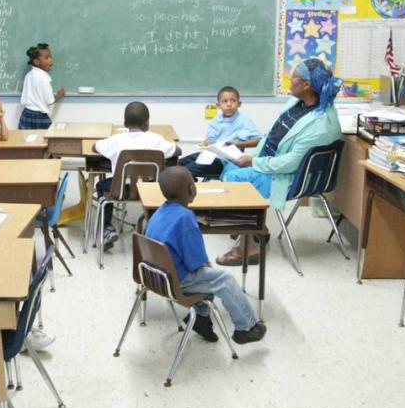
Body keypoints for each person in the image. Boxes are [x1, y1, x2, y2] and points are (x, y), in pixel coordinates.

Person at [217, 58, 342, 266]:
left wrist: (254, 162)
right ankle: (258, 229)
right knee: (227, 166)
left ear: (306, 85)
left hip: (286, 176)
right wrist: (250, 151)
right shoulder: (298, 102)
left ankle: (249, 248)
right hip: (268, 159)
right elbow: (274, 134)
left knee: (233, 179)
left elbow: (290, 163)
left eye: (292, 78)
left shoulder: (321, 124)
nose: (288, 82)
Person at [145, 166, 266, 344]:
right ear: (192, 189)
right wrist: (208, 267)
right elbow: (197, 263)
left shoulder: (158, 212)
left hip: (155, 275)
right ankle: (246, 328)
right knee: (223, 279)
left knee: (209, 278)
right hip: (176, 280)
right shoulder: (186, 217)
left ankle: (201, 319)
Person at [93, 101, 177, 250]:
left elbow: (95, 146)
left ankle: (107, 229)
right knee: (156, 190)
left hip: (120, 191)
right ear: (147, 124)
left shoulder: (116, 140)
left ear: (125, 124)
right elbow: (177, 151)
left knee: (101, 186)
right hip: (150, 192)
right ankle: (151, 230)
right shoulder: (156, 139)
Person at [179, 86, 261, 180]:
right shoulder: (217, 119)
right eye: (225, 101)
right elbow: (210, 139)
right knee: (177, 165)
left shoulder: (243, 120)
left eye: (233, 101)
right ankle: (191, 182)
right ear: (218, 105)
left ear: (239, 104)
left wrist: (239, 144)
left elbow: (258, 140)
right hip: (208, 156)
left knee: (185, 171)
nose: (229, 104)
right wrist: (205, 143)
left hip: (224, 161)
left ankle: (190, 186)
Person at [18, 43, 65, 129]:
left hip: (26, 114)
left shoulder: (28, 75)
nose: (50, 60)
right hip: (40, 117)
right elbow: (50, 101)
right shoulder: (44, 78)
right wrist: (59, 96)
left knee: (26, 141)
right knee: (43, 141)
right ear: (36, 62)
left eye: (50, 57)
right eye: (46, 58)